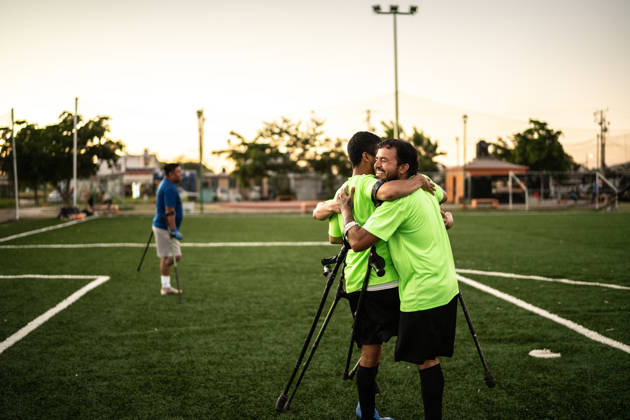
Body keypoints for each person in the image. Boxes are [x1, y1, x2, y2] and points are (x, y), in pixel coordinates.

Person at [313, 131, 442, 420]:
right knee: (423, 355)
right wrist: (417, 182)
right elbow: (391, 194)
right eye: (378, 156)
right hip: (392, 281)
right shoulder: (382, 185)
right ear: (367, 157)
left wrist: (335, 208)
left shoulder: (343, 190)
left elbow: (336, 239)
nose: (380, 163)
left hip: (358, 281)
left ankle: (368, 414)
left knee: (370, 354)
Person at [338, 139, 459, 420]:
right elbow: (442, 198)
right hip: (445, 285)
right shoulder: (427, 189)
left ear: (404, 168)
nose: (377, 165)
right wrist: (449, 218)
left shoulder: (397, 203)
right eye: (377, 159)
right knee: (429, 358)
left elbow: (356, 241)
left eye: (385, 161)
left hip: (422, 290)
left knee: (425, 360)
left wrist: (346, 211)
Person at [152, 163, 184, 296]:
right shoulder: (169, 188)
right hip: (165, 228)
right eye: (178, 172)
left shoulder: (165, 184)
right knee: (175, 256)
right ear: (170, 174)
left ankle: (165, 286)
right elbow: (169, 211)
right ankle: (165, 286)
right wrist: (173, 230)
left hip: (162, 226)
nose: (180, 174)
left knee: (166, 256)